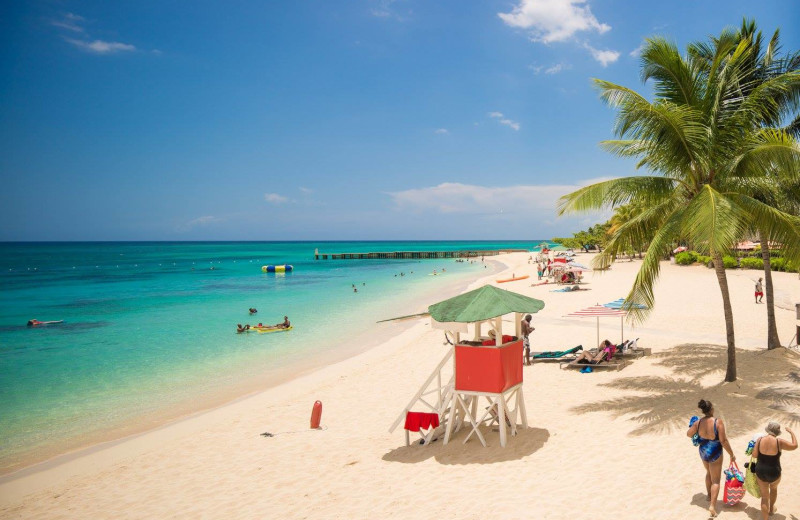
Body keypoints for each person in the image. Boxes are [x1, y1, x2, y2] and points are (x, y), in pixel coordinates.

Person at [686, 399, 735, 518]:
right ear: (711, 409)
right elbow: (723, 441)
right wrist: (731, 454)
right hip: (715, 452)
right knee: (716, 480)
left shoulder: (698, 422)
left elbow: (688, 434)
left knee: (708, 472)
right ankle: (712, 506)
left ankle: (709, 496)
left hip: (703, 451)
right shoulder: (718, 422)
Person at [752, 422, 797, 519]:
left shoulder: (759, 440)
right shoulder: (779, 442)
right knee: (773, 489)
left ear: (768, 430)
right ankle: (771, 509)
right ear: (777, 432)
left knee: (764, 497)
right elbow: (794, 446)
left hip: (760, 471)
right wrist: (791, 432)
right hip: (774, 472)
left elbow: (754, 455)